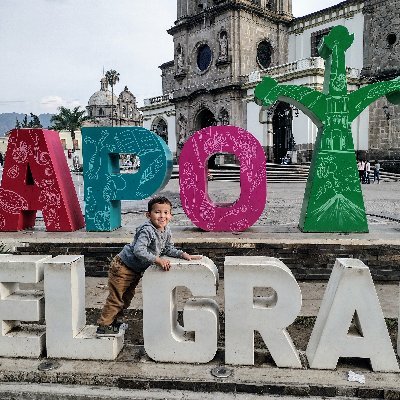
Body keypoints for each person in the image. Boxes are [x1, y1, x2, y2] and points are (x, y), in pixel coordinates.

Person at [96, 196, 202, 336]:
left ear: (171, 215)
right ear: (148, 215)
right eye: (157, 212)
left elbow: (168, 249)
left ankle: (113, 322)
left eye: (166, 212)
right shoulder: (147, 230)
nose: (162, 216)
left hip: (134, 270)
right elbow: (139, 250)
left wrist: (183, 254)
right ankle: (104, 326)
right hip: (122, 267)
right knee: (117, 298)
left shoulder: (166, 231)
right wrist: (157, 260)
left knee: (126, 298)